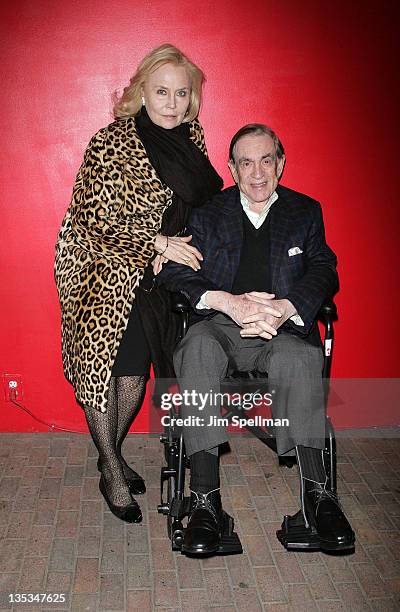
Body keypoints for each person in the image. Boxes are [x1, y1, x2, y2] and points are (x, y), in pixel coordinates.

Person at [157, 123, 355, 555]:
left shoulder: (305, 211)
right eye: (246, 162)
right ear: (231, 168)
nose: (258, 172)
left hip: (279, 327)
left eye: (267, 160)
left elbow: (324, 268)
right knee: (196, 350)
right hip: (222, 325)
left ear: (280, 164)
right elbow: (176, 271)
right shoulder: (208, 213)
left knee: (301, 359)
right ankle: (206, 500)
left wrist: (285, 308)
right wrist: (228, 302)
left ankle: (318, 497)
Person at [54, 44, 222, 523]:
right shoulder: (109, 143)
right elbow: (93, 216)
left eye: (181, 93)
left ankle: (112, 451)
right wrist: (155, 243)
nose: (171, 102)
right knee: (110, 373)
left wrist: (180, 253)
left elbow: (199, 206)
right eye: (161, 91)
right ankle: (110, 466)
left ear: (191, 99)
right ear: (142, 93)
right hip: (102, 271)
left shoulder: (193, 139)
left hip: (162, 277)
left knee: (137, 375)